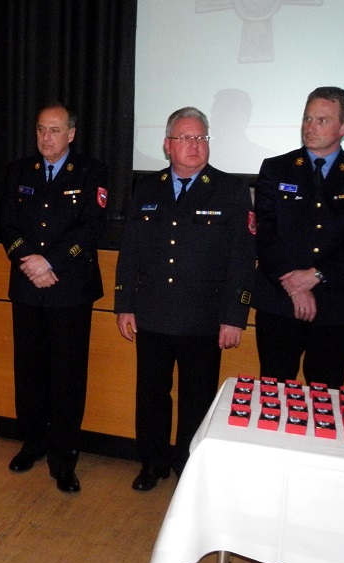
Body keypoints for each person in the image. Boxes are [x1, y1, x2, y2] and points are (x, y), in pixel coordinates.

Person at [114, 107, 255, 491]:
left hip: (203, 317)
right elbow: (130, 251)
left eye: (201, 138)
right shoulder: (147, 188)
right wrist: (125, 303)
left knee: (197, 398)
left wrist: (234, 315)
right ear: (167, 145)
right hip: (153, 313)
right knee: (151, 395)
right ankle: (152, 462)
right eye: (185, 138)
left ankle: (188, 465)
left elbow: (243, 259)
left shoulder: (231, 190)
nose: (194, 145)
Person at [0, 103, 108, 493]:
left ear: (71, 134)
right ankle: (33, 442)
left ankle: (64, 457)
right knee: (29, 372)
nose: (46, 137)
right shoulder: (19, 170)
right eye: (41, 129)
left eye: (55, 130)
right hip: (27, 285)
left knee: (67, 376)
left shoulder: (92, 172)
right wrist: (29, 261)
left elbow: (91, 227)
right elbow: (6, 222)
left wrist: (51, 261)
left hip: (70, 288)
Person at [252, 86, 344, 389]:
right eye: (307, 118)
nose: (310, 127)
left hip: (337, 303)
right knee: (273, 392)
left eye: (322, 120)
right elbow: (265, 233)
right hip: (280, 302)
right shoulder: (276, 168)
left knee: (326, 396)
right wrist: (295, 286)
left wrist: (316, 275)